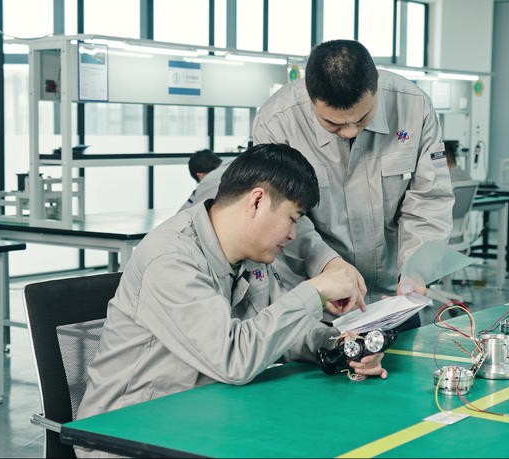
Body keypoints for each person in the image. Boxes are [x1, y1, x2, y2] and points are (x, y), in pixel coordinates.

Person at [76, 144, 386, 433]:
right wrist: (314, 292)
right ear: (257, 201)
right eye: (292, 219)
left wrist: (341, 346)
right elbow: (233, 359)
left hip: (201, 415)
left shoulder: (249, 256)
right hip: (128, 430)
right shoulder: (171, 259)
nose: (294, 234)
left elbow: (277, 332)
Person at [252, 39, 454, 311]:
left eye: (362, 119)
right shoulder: (277, 122)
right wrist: (327, 265)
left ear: (377, 82)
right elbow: (280, 216)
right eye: (332, 123)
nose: (349, 131)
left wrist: (416, 270)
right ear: (308, 94)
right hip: (315, 293)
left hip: (393, 296)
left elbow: (429, 200)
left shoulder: (414, 107)